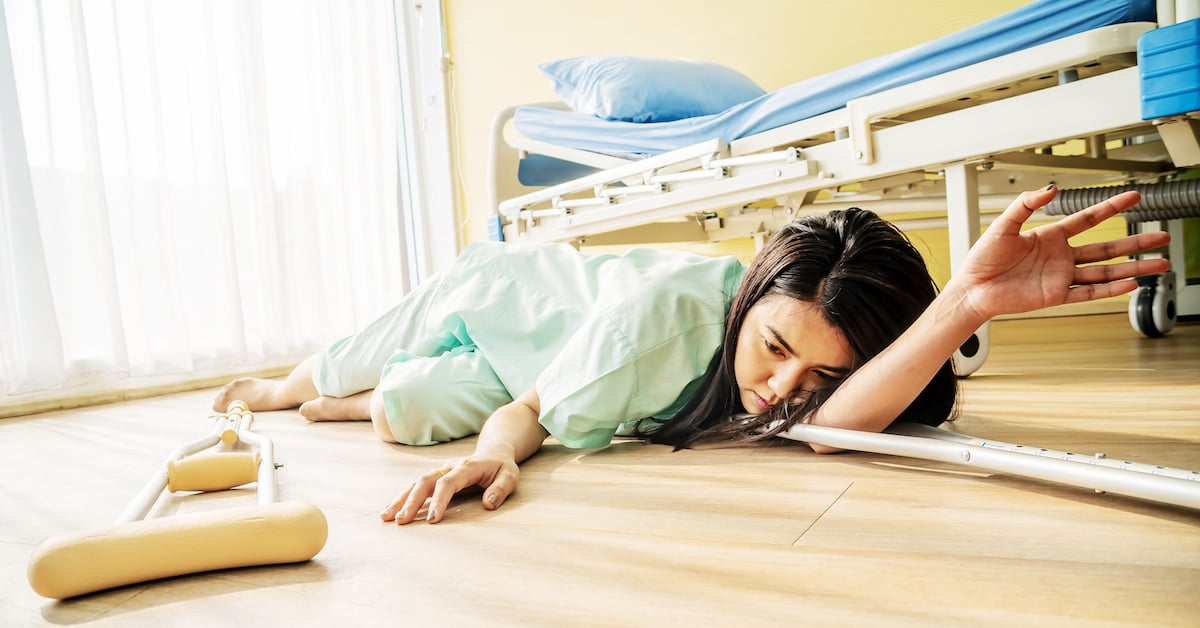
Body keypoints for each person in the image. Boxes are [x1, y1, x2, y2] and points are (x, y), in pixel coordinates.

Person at [213, 185, 1170, 525]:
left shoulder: (798, 375)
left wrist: (963, 305)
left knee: (399, 412)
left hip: (534, 362)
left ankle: (355, 404)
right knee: (339, 369)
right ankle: (299, 384)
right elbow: (530, 416)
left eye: (817, 379)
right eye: (776, 351)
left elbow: (829, 427)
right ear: (752, 297)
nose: (781, 394)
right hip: (504, 298)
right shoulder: (663, 326)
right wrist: (497, 456)